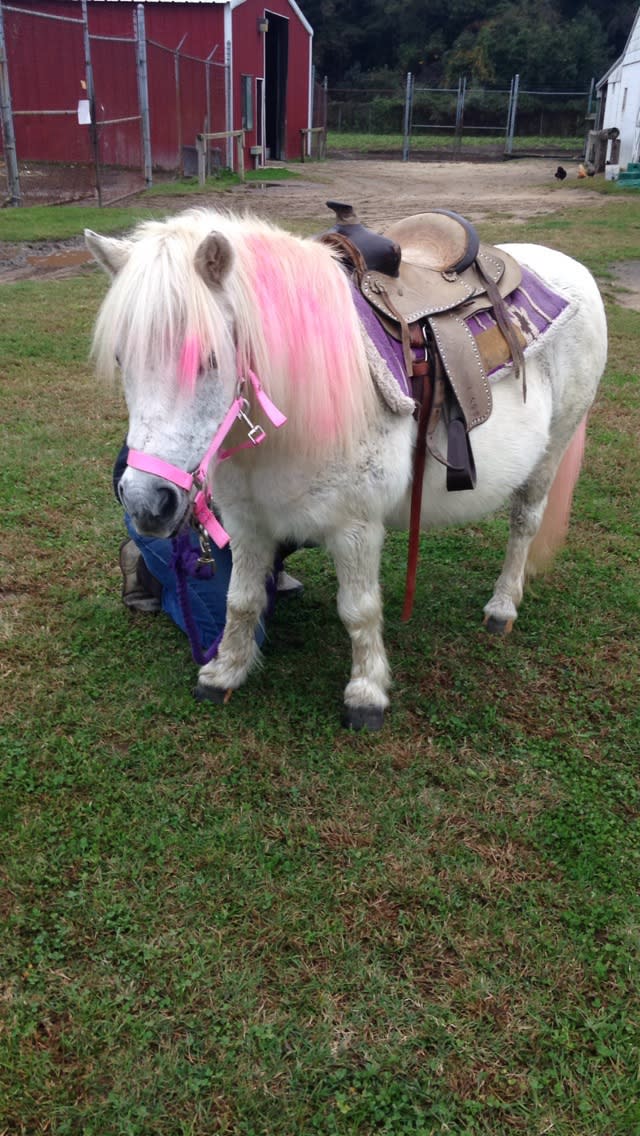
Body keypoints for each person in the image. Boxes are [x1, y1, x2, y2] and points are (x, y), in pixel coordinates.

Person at [113, 444, 302, 661]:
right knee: (239, 635)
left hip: (247, 510)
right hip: (174, 513)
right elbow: (127, 471)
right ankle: (149, 575)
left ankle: (266, 566)